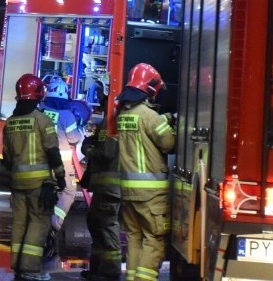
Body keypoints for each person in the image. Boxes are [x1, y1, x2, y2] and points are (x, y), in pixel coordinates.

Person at [2, 73, 66, 281]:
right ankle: (29, 270)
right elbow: (52, 152)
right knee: (38, 224)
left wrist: (9, 180)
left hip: (17, 183)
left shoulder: (10, 123)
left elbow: (7, 157)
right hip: (40, 185)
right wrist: (60, 176)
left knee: (20, 223)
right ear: (38, 94)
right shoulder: (43, 120)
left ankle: (17, 266)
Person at [115, 63, 175, 281]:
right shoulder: (150, 116)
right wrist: (170, 122)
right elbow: (168, 143)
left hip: (129, 193)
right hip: (151, 195)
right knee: (154, 238)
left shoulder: (124, 114)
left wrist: (164, 119)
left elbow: (145, 127)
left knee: (134, 237)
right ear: (150, 88)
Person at [39, 74, 85, 241]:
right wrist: (79, 124)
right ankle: (54, 224)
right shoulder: (66, 115)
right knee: (68, 191)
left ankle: (39, 222)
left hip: (42, 162)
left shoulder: (41, 111)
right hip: (62, 165)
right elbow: (75, 138)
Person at [79, 117, 122, 280]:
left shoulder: (112, 120)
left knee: (106, 228)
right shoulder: (113, 118)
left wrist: (87, 148)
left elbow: (107, 152)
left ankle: (110, 271)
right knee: (97, 225)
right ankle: (98, 268)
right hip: (105, 187)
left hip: (109, 188)